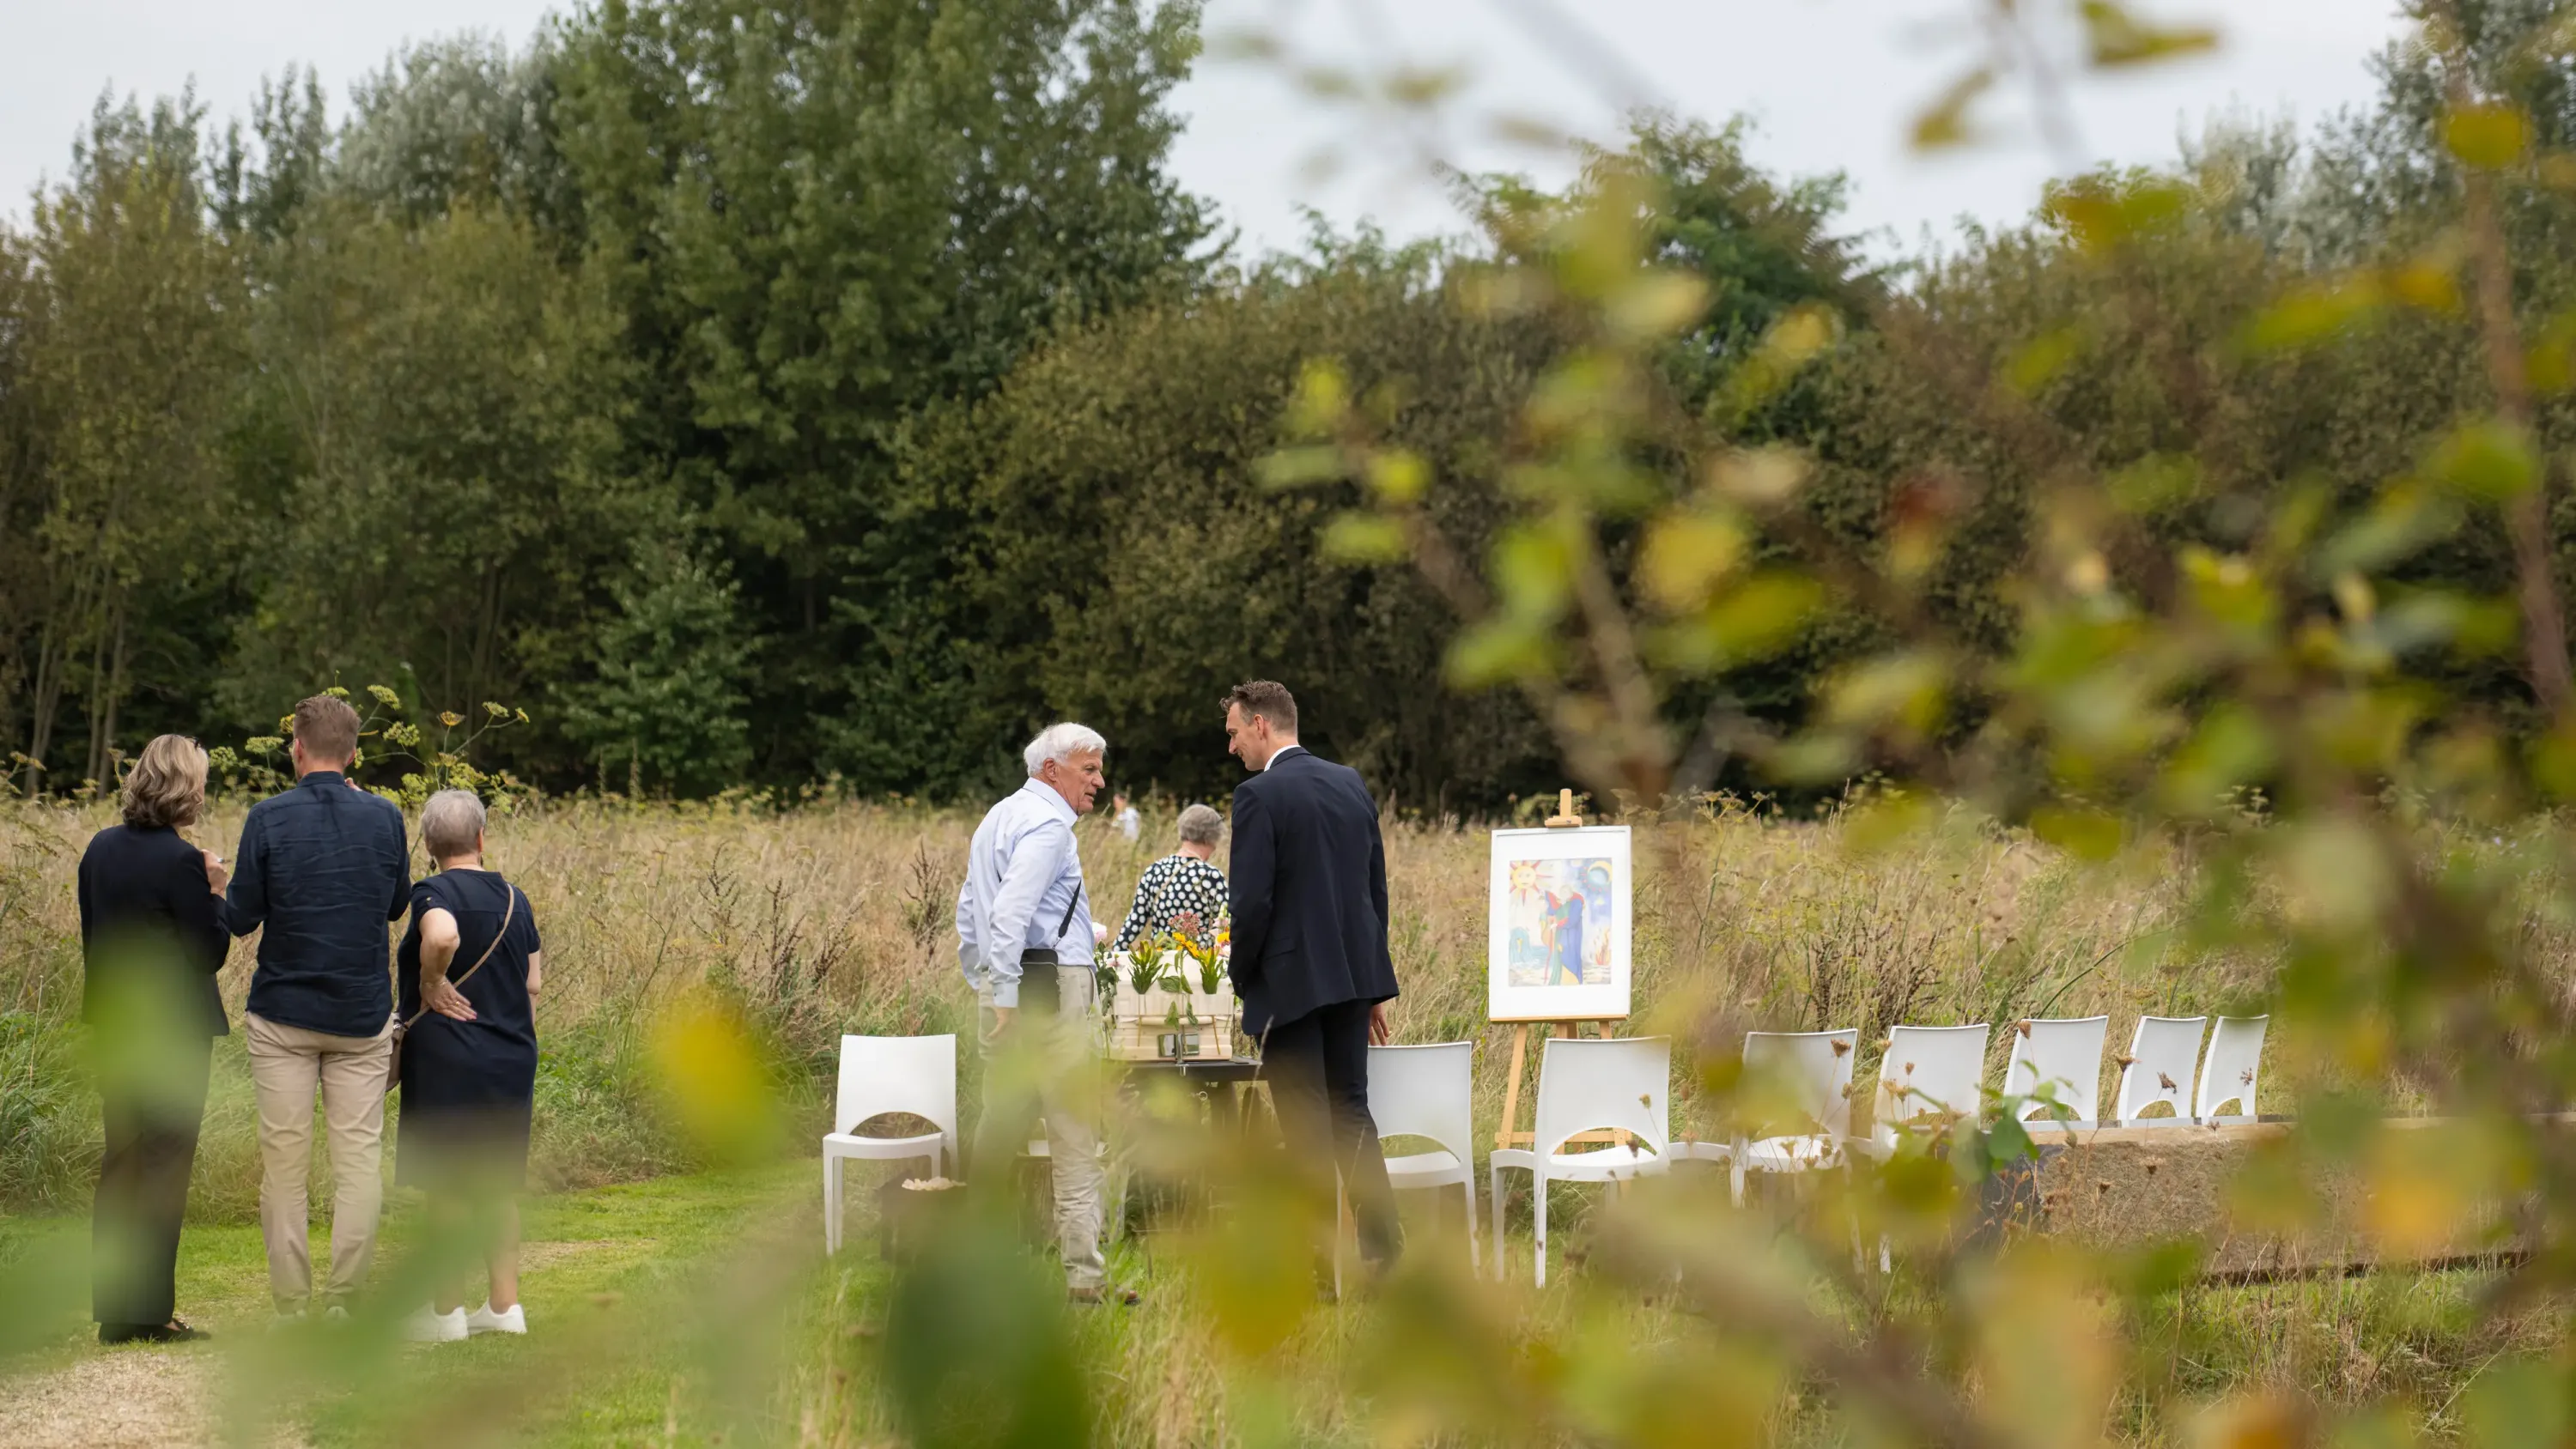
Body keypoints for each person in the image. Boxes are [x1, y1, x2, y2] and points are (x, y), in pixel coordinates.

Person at [224, 694, 411, 1322]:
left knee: (285, 1162)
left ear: (297, 748)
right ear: (354, 752)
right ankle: (345, 1301)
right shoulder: (385, 818)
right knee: (358, 1161)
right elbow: (394, 906)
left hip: (283, 1013)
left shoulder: (267, 818)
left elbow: (242, 918)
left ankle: (292, 1304)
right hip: (361, 1014)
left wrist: (217, 881)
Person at [1222, 680, 1402, 1282]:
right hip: (1353, 980)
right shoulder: (1351, 784)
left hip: (1291, 985)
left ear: (1261, 725)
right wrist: (1373, 981)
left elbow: (1250, 906)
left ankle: (1319, 1272)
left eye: (1234, 733)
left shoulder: (1258, 796)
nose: (1232, 747)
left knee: (1302, 1126)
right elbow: (1374, 890)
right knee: (1351, 1112)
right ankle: (1381, 1253)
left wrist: (1242, 976)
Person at [954, 723, 1132, 1305]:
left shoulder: (997, 818)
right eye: (1090, 770)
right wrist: (1007, 992)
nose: (1100, 783)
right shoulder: (1051, 824)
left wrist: (987, 983)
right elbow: (1010, 910)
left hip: (1006, 989)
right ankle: (1085, 1279)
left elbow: (969, 916)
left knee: (997, 1131)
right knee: (1075, 1135)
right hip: (1048, 996)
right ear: (1051, 770)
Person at [77, 736, 229, 1344]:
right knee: (164, 1166)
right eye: (200, 783)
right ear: (184, 789)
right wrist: (217, 889)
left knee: (122, 1164)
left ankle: (116, 1310)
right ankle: (151, 1312)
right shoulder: (183, 863)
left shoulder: (99, 850)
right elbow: (209, 953)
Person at [395, 790, 544, 1343]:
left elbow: (443, 935)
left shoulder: (431, 891)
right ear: (482, 839)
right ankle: (505, 1310)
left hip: (449, 1059)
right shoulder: (515, 898)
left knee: (448, 1187)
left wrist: (432, 982)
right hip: (510, 1057)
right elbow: (531, 983)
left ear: (430, 846)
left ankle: (446, 1314)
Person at [1111, 803, 1228, 954]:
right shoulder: (1211, 877)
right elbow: (1226, 926)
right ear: (1209, 837)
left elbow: (1135, 921)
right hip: (1199, 967)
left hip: (1161, 967)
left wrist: (1114, 956)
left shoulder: (1154, 871)